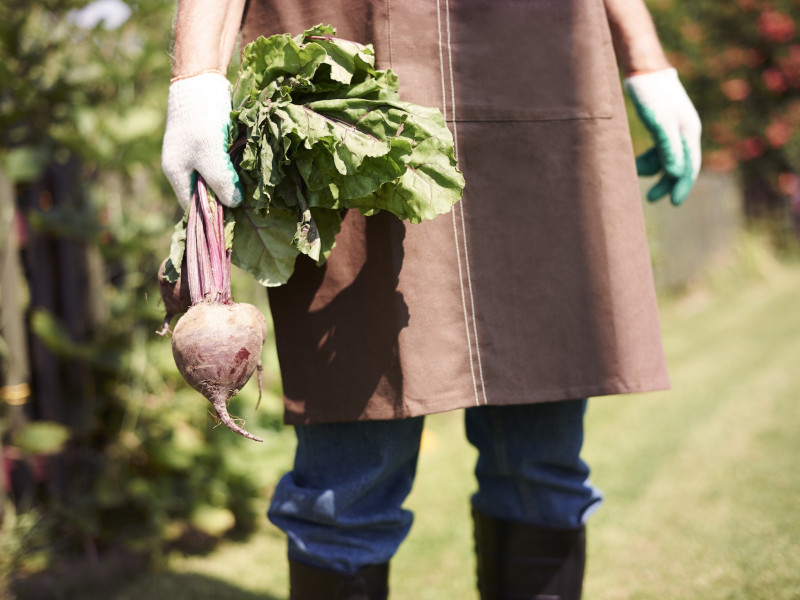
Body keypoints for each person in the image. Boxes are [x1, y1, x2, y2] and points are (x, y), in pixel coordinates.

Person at [161, 1, 701, 598]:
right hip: (349, 49)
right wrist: (196, 78)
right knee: (347, 484)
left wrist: (648, 61)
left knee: (542, 463)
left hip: (535, 56)